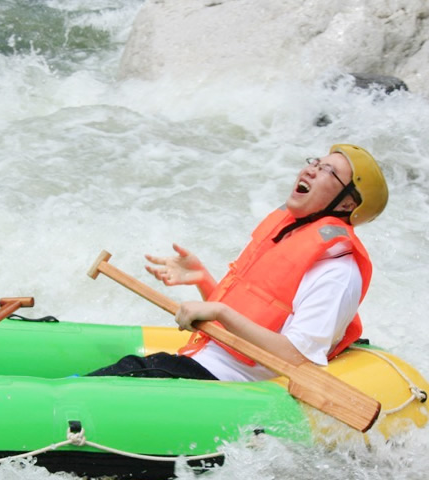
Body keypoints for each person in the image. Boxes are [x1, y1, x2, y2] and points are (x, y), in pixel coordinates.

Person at [88, 144, 388, 382]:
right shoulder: (287, 236)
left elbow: (298, 358)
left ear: (348, 204)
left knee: (130, 372)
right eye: (314, 162)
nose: (310, 170)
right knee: (128, 367)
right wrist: (205, 281)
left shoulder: (337, 272)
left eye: (327, 170)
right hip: (200, 362)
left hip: (226, 382)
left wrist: (220, 310)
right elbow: (254, 318)